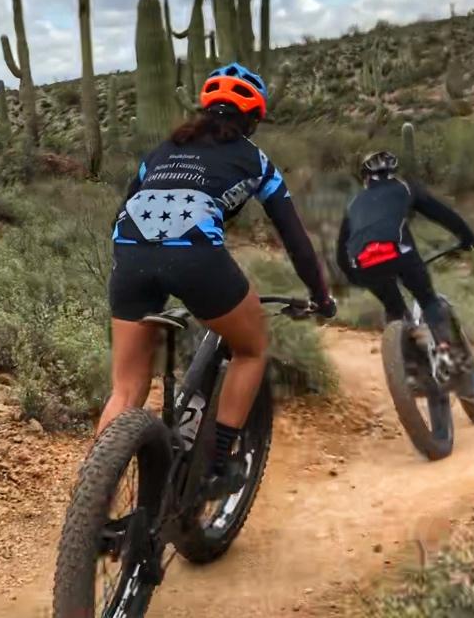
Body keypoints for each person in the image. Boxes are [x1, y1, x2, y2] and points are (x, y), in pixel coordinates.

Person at [101, 62, 337, 498]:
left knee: (127, 388)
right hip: (196, 259)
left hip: (129, 253)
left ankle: (95, 501)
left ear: (205, 108)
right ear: (252, 119)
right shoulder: (255, 160)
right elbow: (295, 239)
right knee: (251, 348)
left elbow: (124, 208)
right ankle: (216, 465)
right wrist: (320, 295)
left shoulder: (160, 150)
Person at [335, 150, 474, 349]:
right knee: (427, 299)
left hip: (364, 263)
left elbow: (341, 254)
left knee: (395, 310)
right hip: (399, 254)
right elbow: (442, 214)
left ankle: (405, 358)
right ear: (394, 172)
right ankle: (445, 349)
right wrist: (467, 237)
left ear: (365, 179)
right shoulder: (406, 188)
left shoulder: (352, 205)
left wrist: (355, 278)